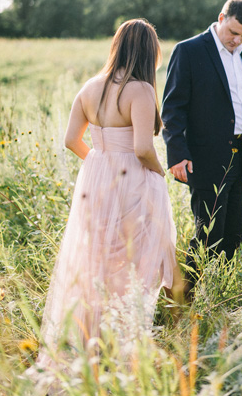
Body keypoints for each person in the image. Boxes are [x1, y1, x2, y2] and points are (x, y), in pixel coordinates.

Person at [38, 19, 179, 365]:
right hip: (132, 181)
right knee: (132, 262)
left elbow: (71, 140)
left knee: (95, 261)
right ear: (149, 52)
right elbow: (143, 148)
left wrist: (100, 164)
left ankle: (88, 343)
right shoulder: (141, 90)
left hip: (96, 181)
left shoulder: (89, 87)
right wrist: (159, 174)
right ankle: (121, 342)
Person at [161, 0, 242, 296]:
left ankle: (216, 295)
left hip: (238, 154)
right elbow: (172, 108)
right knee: (207, 236)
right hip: (204, 157)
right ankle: (183, 302)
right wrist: (177, 153)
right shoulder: (188, 50)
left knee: (232, 235)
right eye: (233, 33)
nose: (237, 40)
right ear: (220, 18)